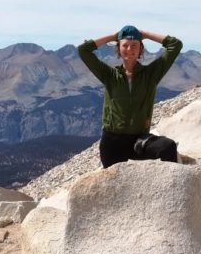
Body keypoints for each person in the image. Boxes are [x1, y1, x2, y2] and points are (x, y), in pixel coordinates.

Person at [78, 25, 183, 168]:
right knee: (115, 185)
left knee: (168, 147)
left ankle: (174, 187)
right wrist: (113, 36)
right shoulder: (109, 75)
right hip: (112, 142)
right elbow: (83, 50)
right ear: (118, 49)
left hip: (139, 140)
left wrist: (144, 34)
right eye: (125, 45)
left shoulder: (151, 74)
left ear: (141, 49)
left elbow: (175, 45)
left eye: (134, 45)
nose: (129, 49)